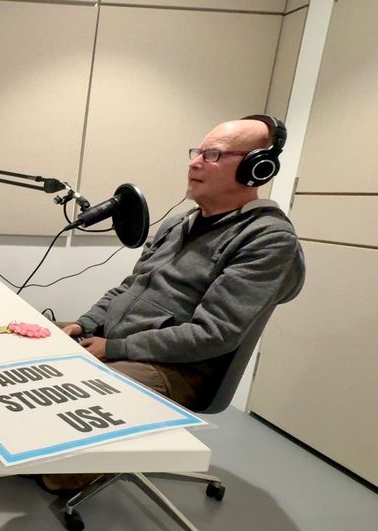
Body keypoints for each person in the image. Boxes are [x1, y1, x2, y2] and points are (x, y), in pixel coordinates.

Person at [43, 115, 306, 495]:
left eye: (213, 154)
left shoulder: (267, 239)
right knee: (29, 337)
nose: (196, 161)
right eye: (197, 151)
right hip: (122, 341)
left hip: (180, 368)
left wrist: (113, 348)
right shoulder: (179, 223)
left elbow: (212, 334)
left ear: (256, 168)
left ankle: (70, 467)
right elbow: (129, 288)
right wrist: (83, 325)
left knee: (64, 441)